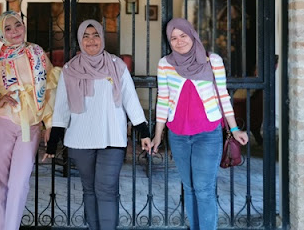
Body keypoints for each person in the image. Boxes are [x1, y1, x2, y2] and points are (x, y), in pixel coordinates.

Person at [44, 19, 152, 230]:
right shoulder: (70, 69)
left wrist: (144, 131)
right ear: (79, 40)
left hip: (112, 137)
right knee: (90, 189)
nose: (91, 40)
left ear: (102, 38)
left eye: (95, 35)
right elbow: (62, 107)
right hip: (81, 139)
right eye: (86, 36)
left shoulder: (116, 65)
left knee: (107, 188)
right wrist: (53, 141)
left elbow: (131, 99)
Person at [0, 10, 59, 230]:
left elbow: (50, 89)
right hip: (2, 123)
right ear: (0, 34)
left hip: (31, 124)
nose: (15, 31)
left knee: (19, 182)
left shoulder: (37, 53)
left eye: (18, 25)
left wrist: (49, 122)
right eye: (8, 28)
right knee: (0, 182)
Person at [149, 18, 249, 230]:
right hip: (178, 134)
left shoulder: (213, 61)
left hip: (208, 133)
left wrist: (234, 128)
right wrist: (158, 134)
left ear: (192, 35)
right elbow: (163, 99)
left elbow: (223, 96)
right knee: (190, 187)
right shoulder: (165, 64)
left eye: (183, 36)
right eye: (173, 38)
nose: (179, 41)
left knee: (203, 188)